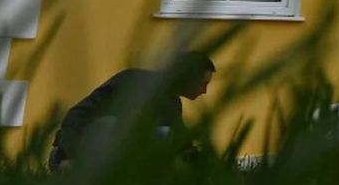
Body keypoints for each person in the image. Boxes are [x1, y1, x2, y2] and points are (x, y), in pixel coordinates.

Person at [48, 51, 214, 170]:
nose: (204, 91)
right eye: (203, 83)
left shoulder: (172, 104)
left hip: (117, 168)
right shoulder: (133, 81)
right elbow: (78, 114)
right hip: (74, 157)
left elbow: (182, 145)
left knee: (164, 135)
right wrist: (69, 157)